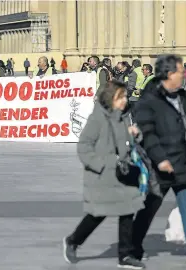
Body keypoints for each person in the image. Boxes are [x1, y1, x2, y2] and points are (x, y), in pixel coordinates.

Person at [132, 54, 186, 266]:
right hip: (161, 164)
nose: (184, 75)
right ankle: (132, 247)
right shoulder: (149, 98)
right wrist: (160, 159)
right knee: (150, 207)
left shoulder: (183, 95)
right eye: (181, 72)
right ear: (169, 74)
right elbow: (148, 131)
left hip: (184, 163)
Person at [63, 80, 146, 269]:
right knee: (97, 215)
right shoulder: (97, 119)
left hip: (122, 173)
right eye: (121, 97)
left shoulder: (123, 117)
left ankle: (125, 256)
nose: (125, 100)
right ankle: (73, 241)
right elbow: (83, 147)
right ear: (110, 98)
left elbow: (123, 143)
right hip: (102, 176)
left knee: (127, 211)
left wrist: (134, 134)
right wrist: (101, 165)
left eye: (125, 96)